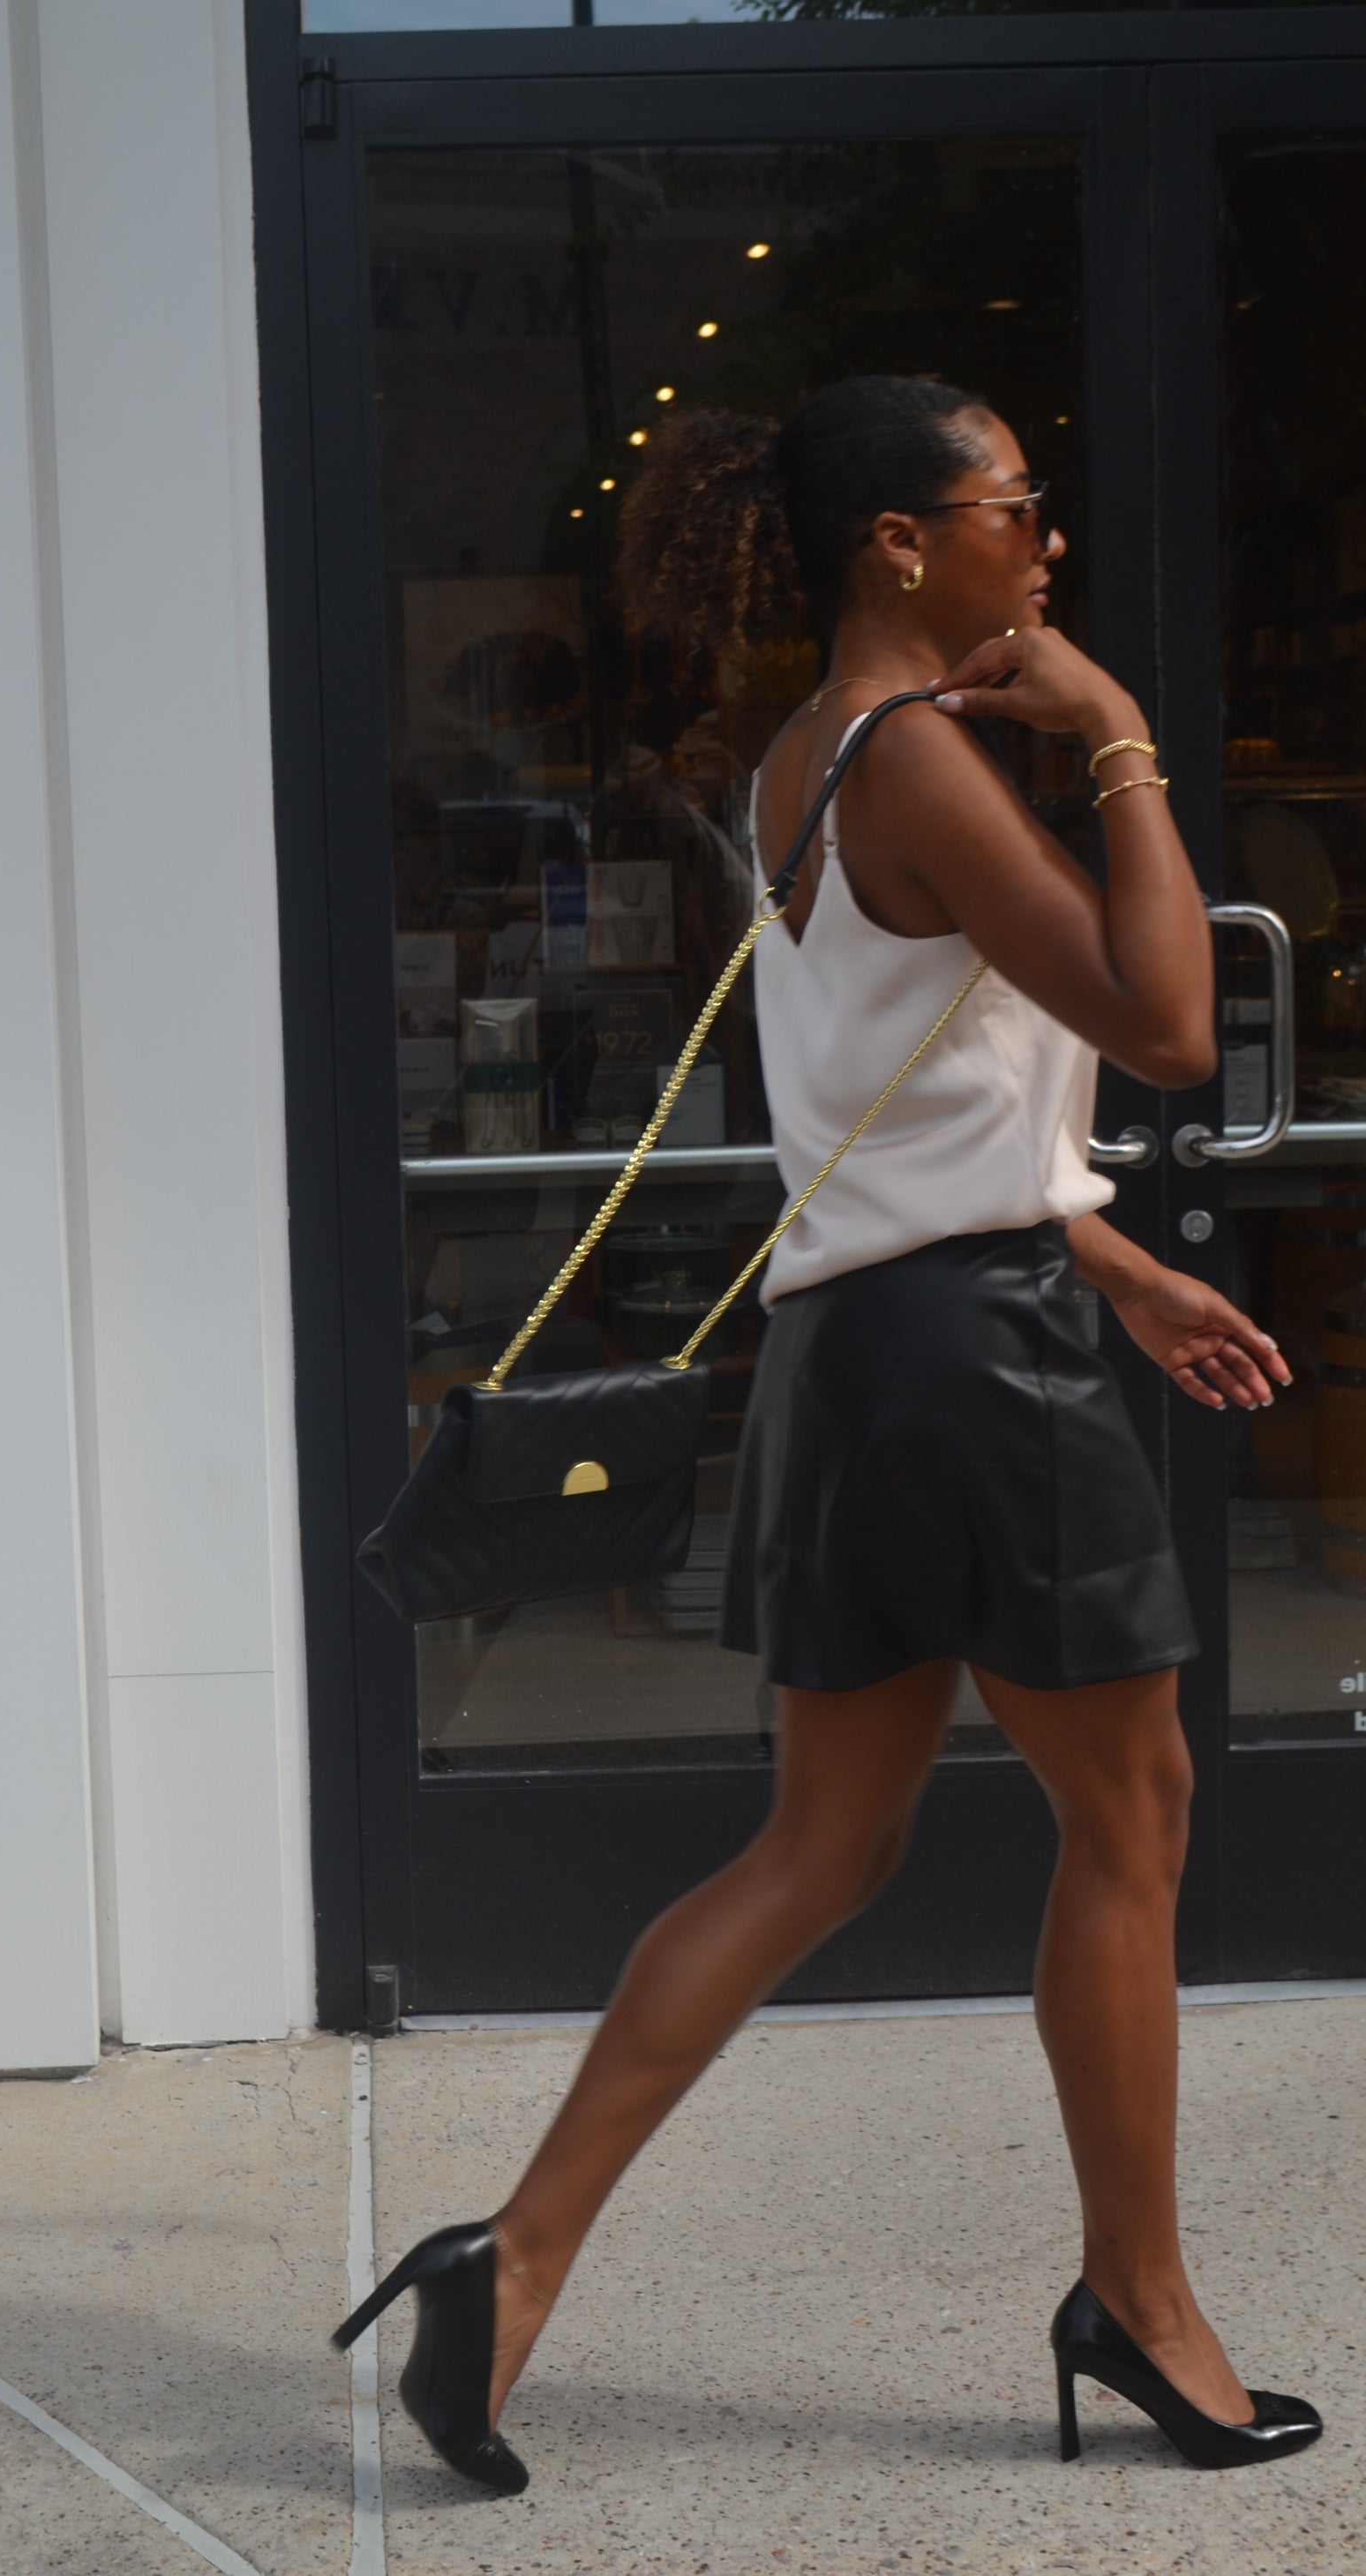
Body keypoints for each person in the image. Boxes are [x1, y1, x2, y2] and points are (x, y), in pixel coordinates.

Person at [334, 375, 1323, 2490]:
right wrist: (1119, 729)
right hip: (975, 1363)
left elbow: (908, 1093)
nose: (1043, 541)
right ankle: (1140, 2301)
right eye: (1015, 505)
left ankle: (510, 2260)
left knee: (819, 1849)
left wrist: (1105, 1256)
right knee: (1132, 1813)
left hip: (868, 1346)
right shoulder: (924, 758)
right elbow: (1166, 1021)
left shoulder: (810, 755)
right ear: (902, 539)